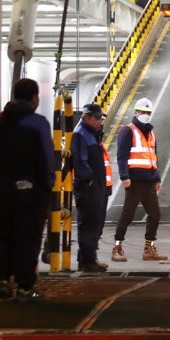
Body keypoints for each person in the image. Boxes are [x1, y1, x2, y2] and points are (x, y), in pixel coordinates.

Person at [0, 77, 55, 302]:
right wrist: (46, 185)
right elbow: (46, 158)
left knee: (5, 235)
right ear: (34, 98)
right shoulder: (38, 123)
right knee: (28, 238)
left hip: (3, 192)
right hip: (32, 193)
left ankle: (2, 280)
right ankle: (24, 287)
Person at [112, 97, 168, 262]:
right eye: (143, 112)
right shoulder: (127, 131)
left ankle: (149, 248)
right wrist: (124, 176)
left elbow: (153, 157)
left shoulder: (151, 133)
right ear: (136, 112)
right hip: (134, 181)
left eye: (148, 112)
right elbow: (122, 156)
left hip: (149, 181)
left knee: (155, 214)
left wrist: (157, 178)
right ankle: (117, 247)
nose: (146, 115)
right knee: (127, 215)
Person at [72, 102, 111, 273]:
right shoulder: (81, 135)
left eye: (101, 118)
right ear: (86, 117)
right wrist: (90, 181)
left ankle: (90, 258)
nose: (100, 121)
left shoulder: (93, 135)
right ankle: (86, 260)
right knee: (88, 223)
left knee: (96, 223)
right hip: (89, 189)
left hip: (97, 188)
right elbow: (80, 162)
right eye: (96, 118)